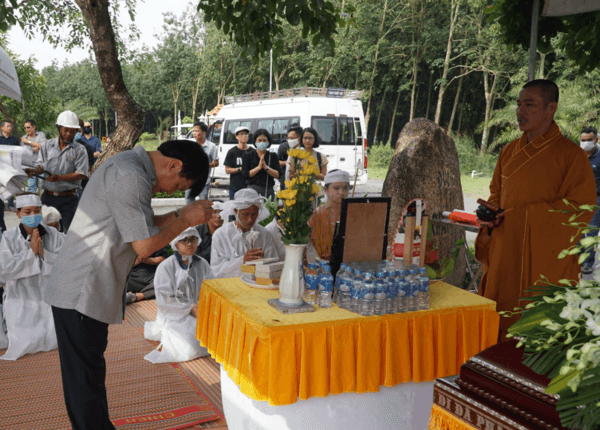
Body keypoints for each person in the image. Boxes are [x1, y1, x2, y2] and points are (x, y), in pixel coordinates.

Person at [43, 139, 213, 430]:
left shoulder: (128, 166)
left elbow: (141, 224)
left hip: (81, 287)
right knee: (85, 379)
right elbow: (145, 245)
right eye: (175, 186)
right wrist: (186, 220)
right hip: (83, 289)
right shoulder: (132, 177)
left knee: (85, 376)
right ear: (174, 164)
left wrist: (181, 216)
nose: (167, 191)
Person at [475, 79, 597, 340]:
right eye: (519, 104)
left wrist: (523, 216)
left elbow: (580, 208)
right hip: (505, 252)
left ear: (551, 108)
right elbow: (497, 193)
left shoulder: (571, 155)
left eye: (529, 104)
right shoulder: (509, 151)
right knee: (496, 328)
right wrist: (490, 212)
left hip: (544, 261)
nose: (520, 111)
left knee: (535, 335)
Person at [0, 193, 65, 360]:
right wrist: (31, 252)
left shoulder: (53, 234)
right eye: (27, 212)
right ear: (18, 213)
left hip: (49, 292)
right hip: (20, 294)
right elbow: (5, 269)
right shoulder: (8, 237)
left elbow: (67, 262)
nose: (33, 216)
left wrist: (43, 252)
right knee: (25, 338)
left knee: (54, 336)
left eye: (37, 211)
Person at [144, 227, 213, 363]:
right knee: (190, 342)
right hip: (175, 313)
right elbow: (164, 301)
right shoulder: (166, 266)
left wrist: (203, 306)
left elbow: (211, 288)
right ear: (175, 243)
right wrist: (189, 308)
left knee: (219, 331)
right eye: (184, 240)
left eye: (192, 239)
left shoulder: (202, 263)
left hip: (200, 310)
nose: (189, 244)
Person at [24, 111, 89, 232]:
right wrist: (33, 171)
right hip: (48, 198)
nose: (69, 134)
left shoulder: (80, 150)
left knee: (66, 234)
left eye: (72, 131)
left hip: (68, 200)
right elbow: (40, 166)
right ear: (59, 128)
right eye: (66, 130)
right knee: (44, 232)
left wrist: (59, 178)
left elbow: (81, 173)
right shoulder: (47, 146)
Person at [211, 188, 279, 278]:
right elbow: (216, 271)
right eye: (245, 214)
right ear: (236, 211)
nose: (250, 219)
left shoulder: (265, 234)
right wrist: (242, 260)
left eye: (254, 214)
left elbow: (273, 265)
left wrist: (262, 264)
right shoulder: (221, 235)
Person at [308, 170, 350, 261]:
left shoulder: (353, 212)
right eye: (336, 188)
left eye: (345, 188)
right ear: (325, 190)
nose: (341, 192)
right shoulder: (317, 214)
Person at [579, 127, 600, 275]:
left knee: (591, 231)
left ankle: (588, 263)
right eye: (583, 140)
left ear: (596, 140)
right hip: (576, 198)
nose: (585, 143)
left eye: (588, 140)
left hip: (596, 198)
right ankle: (579, 257)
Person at [185, 122, 219, 204]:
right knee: (189, 204)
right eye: (193, 131)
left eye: (197, 131)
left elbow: (216, 163)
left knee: (203, 204)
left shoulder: (212, 146)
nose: (194, 133)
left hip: (204, 181)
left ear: (203, 132)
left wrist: (204, 165)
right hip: (190, 180)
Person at [242, 128, 281, 199]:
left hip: (268, 190)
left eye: (264, 140)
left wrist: (266, 167)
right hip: (252, 190)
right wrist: (259, 167)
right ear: (255, 141)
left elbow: (278, 175)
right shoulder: (248, 156)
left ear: (268, 142)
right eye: (259, 140)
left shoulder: (272, 156)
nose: (262, 142)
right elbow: (245, 175)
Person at [224, 126, 255, 199]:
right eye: (241, 134)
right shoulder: (232, 152)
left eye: (246, 134)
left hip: (249, 186)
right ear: (236, 137)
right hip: (235, 186)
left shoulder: (252, 151)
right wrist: (240, 169)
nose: (244, 136)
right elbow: (227, 170)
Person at [20, 119, 47, 194]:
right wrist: (33, 148)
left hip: (41, 165)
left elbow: (43, 146)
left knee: (43, 187)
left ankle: (43, 204)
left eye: (28, 127)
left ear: (34, 127)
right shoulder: (23, 138)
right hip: (29, 165)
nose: (26, 129)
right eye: (25, 128)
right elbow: (23, 152)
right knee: (31, 188)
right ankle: (32, 205)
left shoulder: (41, 135)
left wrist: (28, 142)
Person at [277, 123, 303, 191]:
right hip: (285, 182)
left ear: (299, 138)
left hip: (300, 185)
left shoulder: (304, 150)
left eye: (292, 138)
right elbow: (277, 162)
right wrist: (287, 163)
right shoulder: (284, 147)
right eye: (288, 138)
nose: (290, 140)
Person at [75, 118, 96, 196]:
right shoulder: (61, 146)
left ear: (82, 131)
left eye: (78, 130)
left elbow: (88, 168)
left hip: (80, 187)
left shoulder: (86, 147)